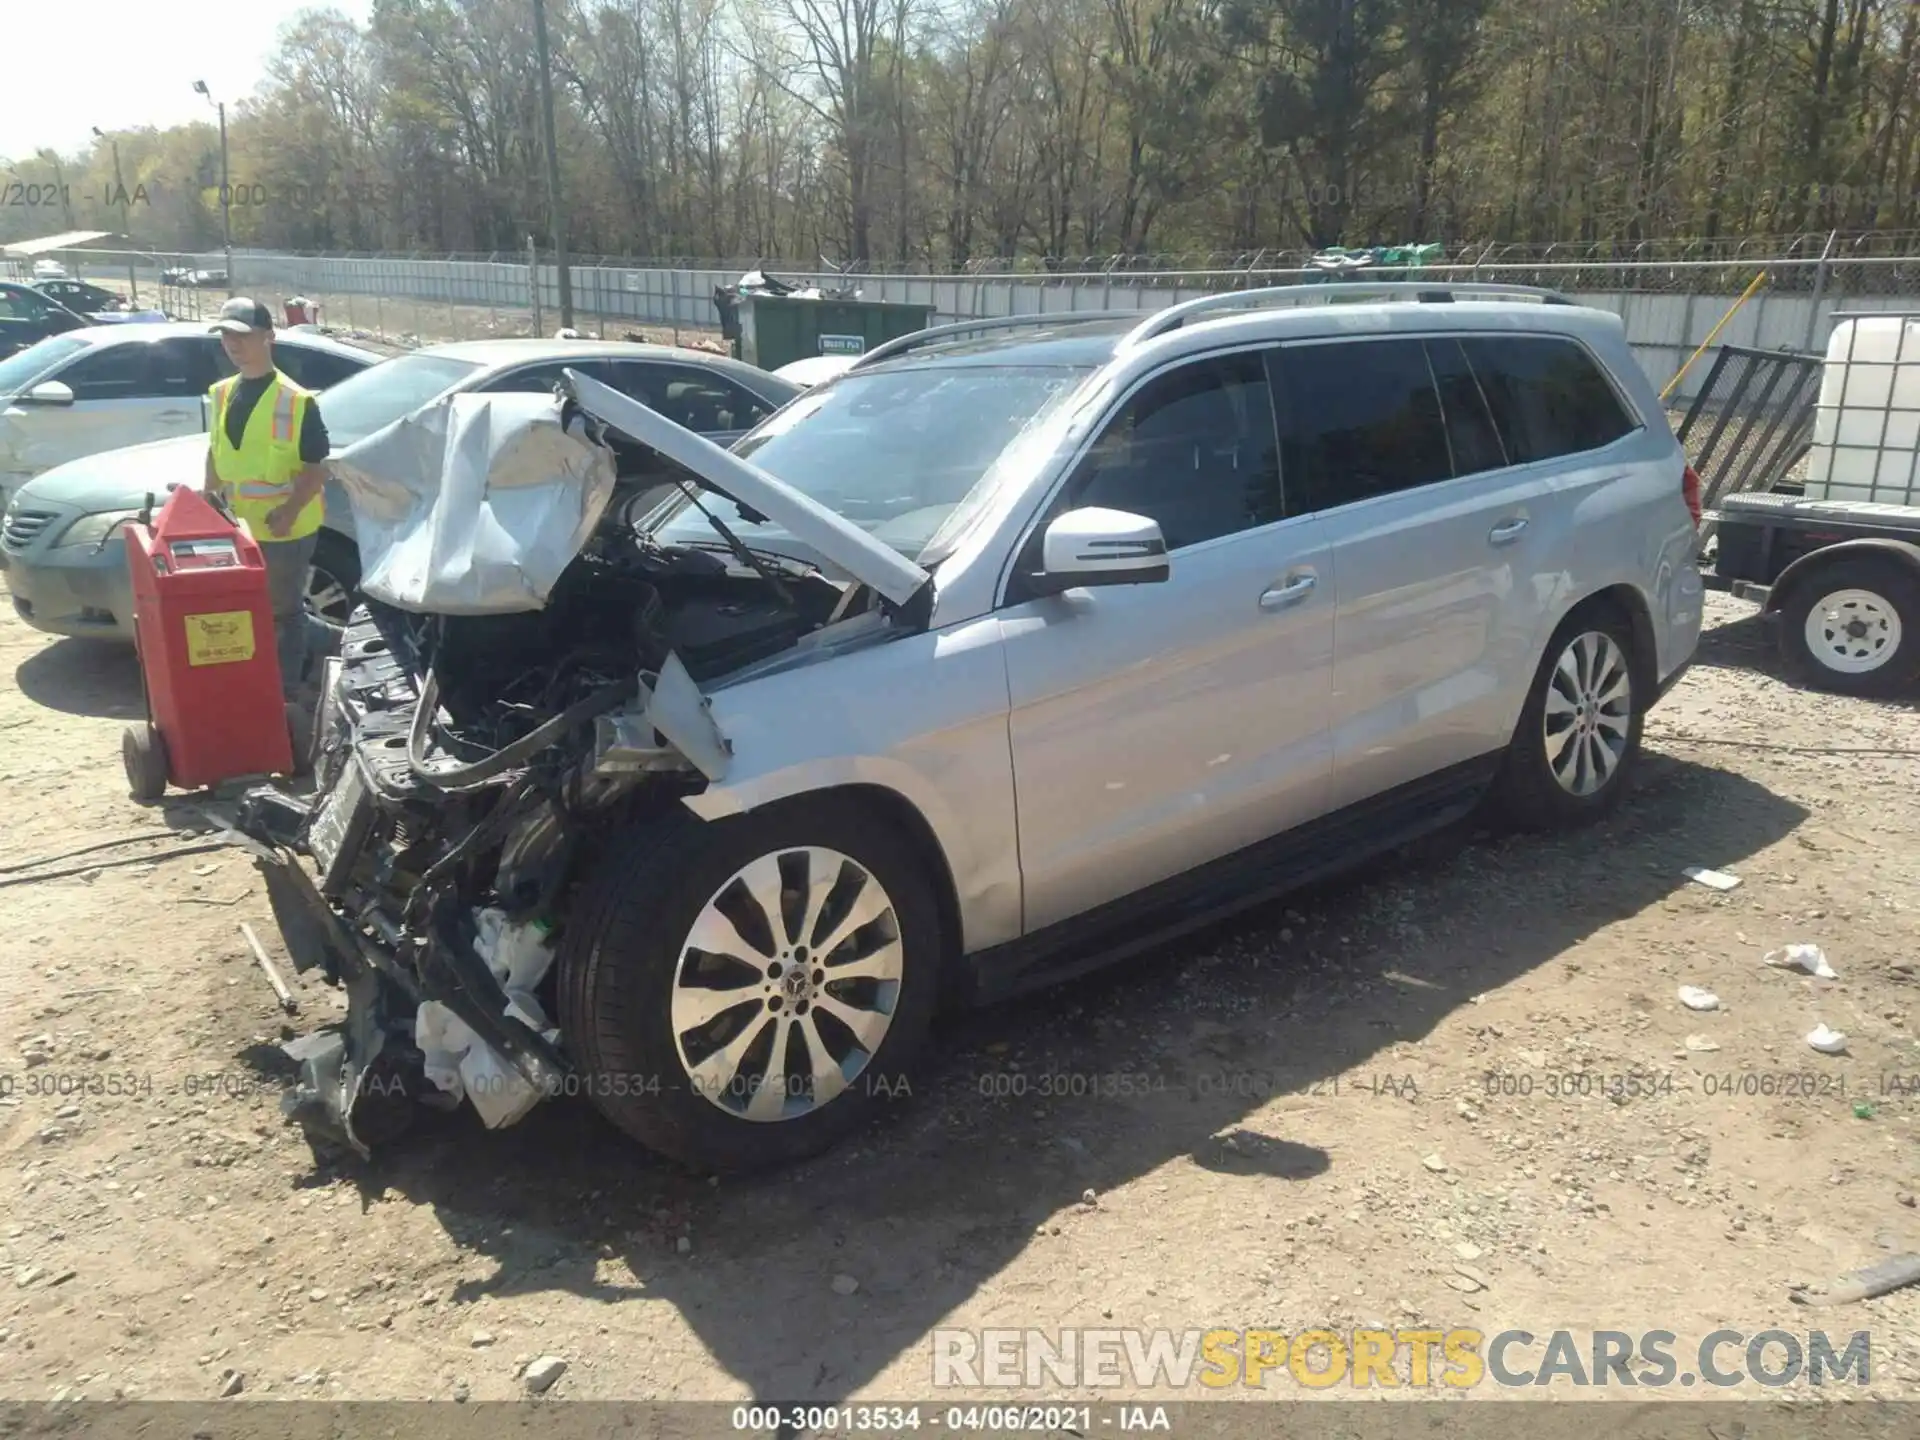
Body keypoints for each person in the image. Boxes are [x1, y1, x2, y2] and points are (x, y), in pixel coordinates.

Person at [203, 297, 332, 699]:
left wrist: (290, 510)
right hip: (238, 527)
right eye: (226, 335)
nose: (233, 343)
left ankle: (285, 695)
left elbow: (316, 467)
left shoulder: (295, 401)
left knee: (282, 612)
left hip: (285, 528)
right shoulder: (224, 392)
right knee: (253, 609)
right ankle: (332, 644)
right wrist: (207, 496)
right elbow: (216, 450)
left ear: (268, 338)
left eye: (242, 335)